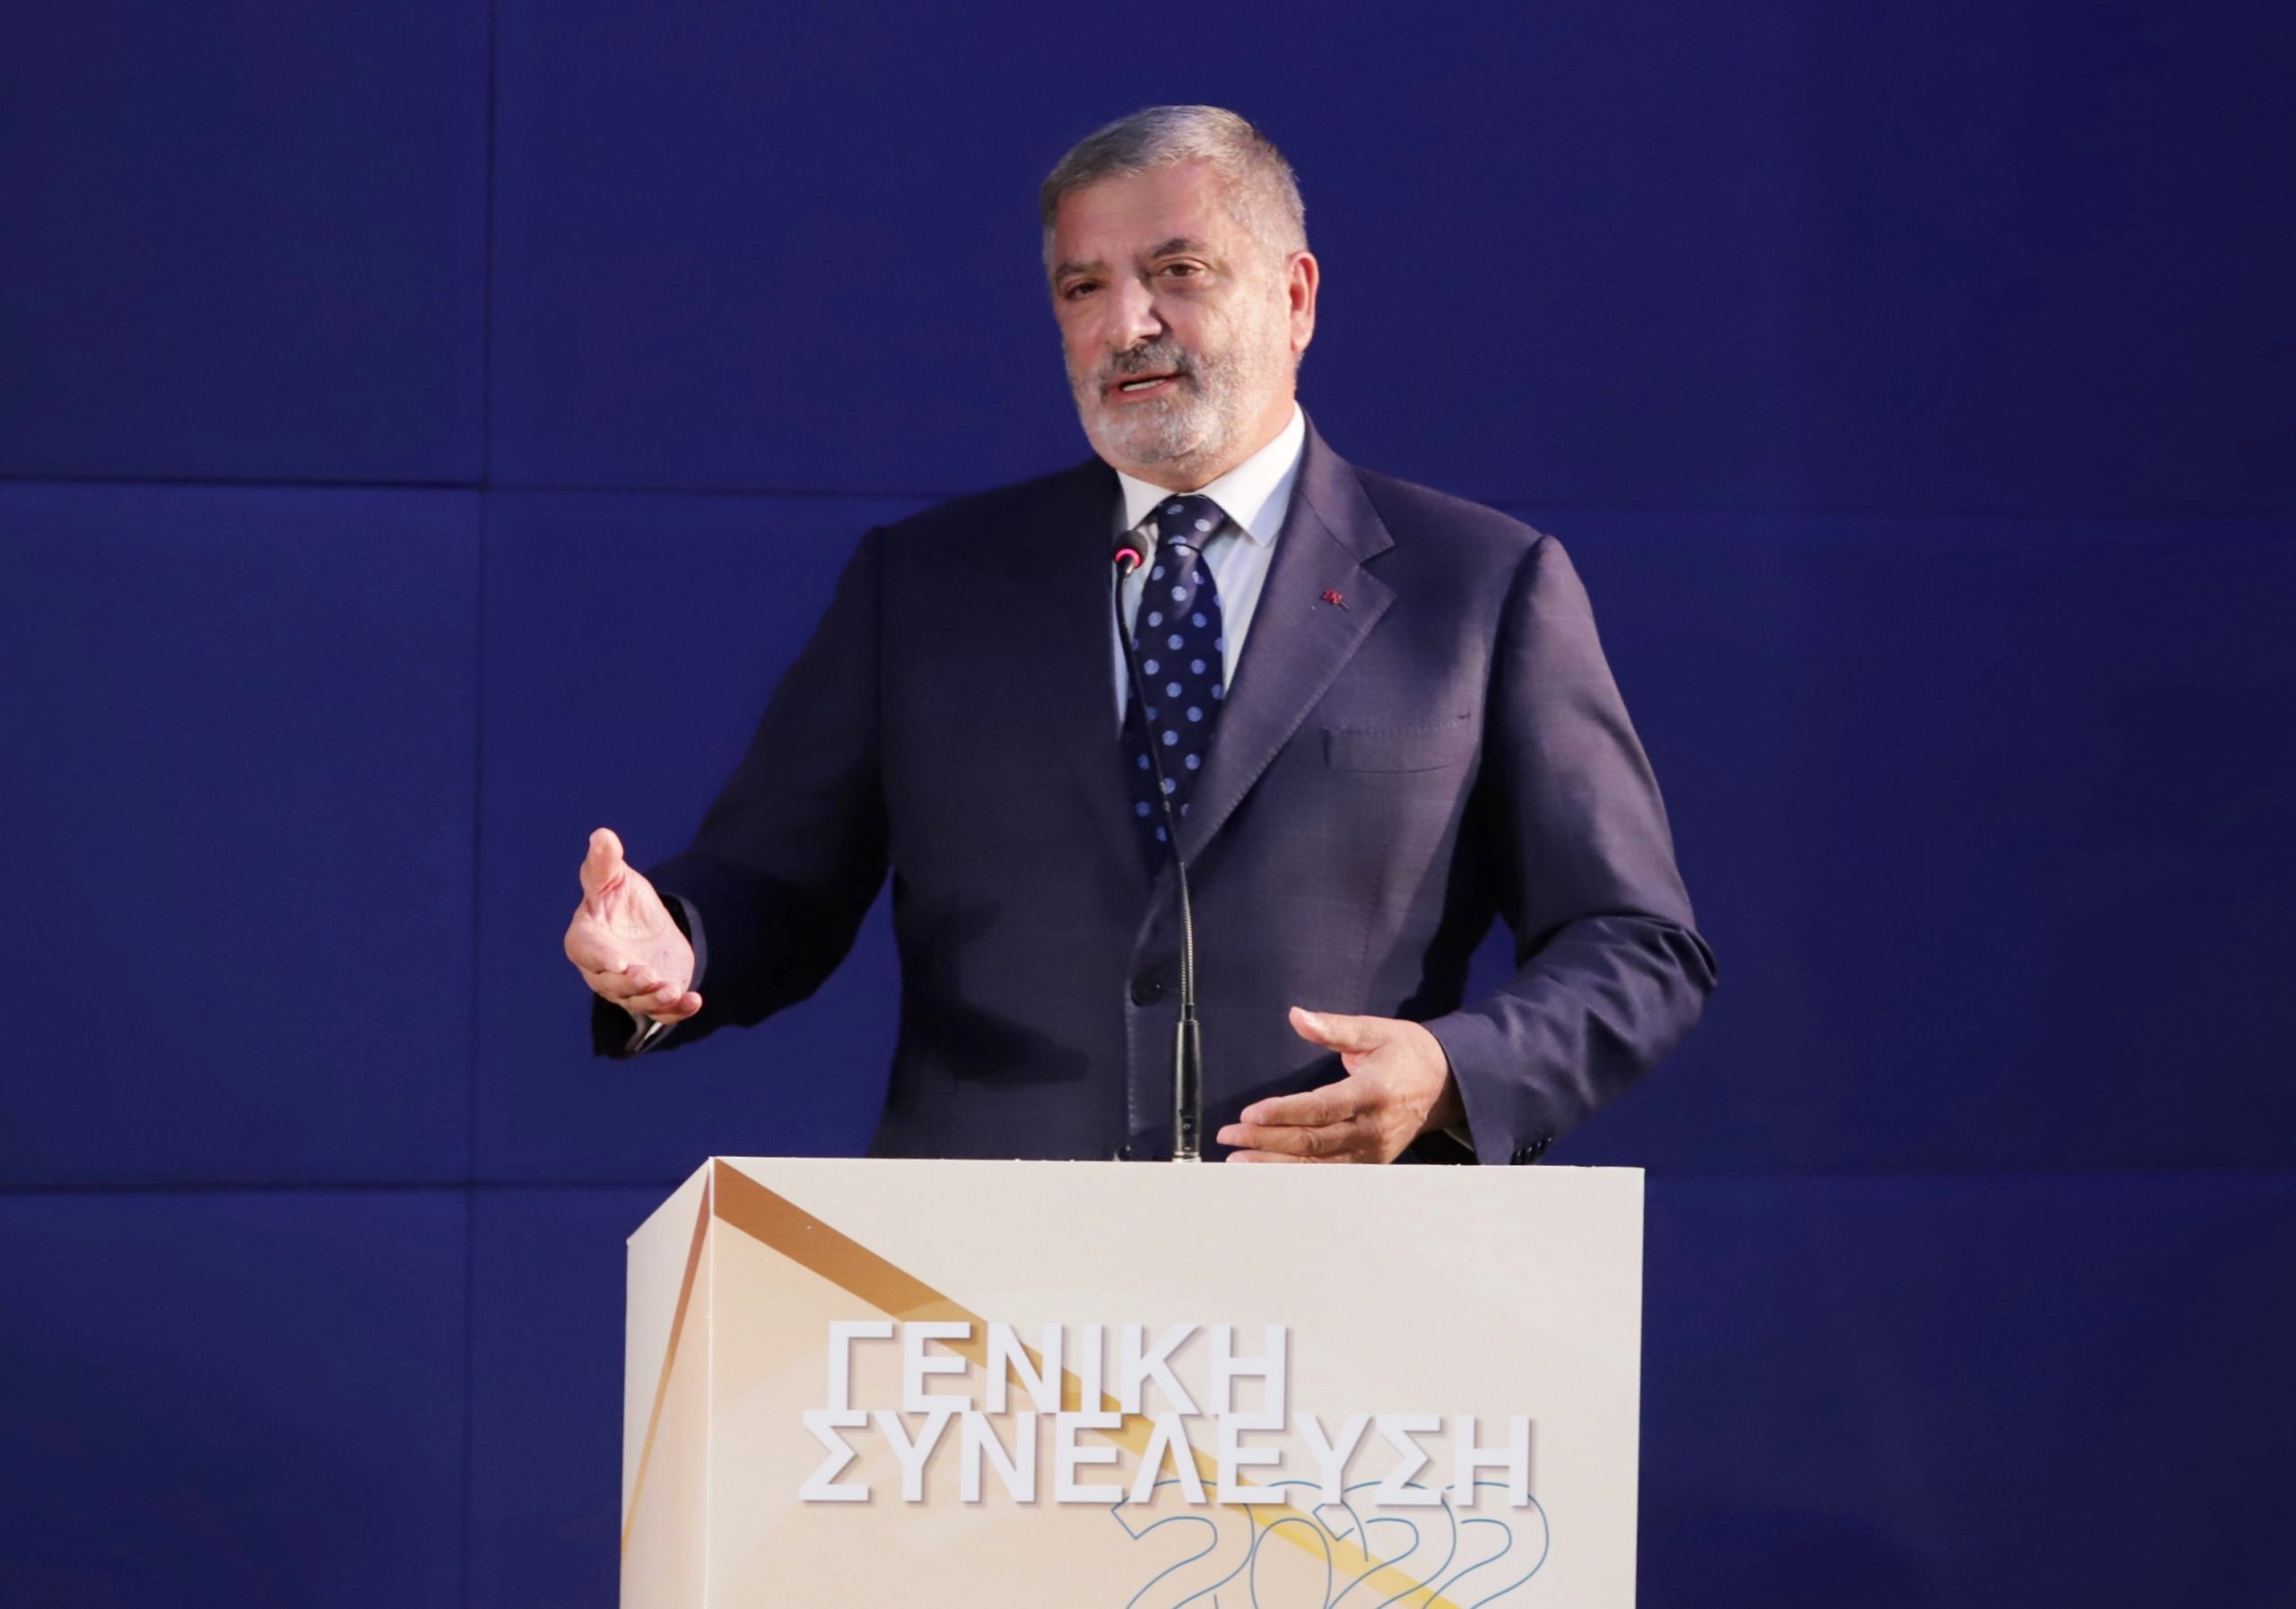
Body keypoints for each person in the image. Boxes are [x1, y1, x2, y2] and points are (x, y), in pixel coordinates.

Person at [562, 106, 1714, 1165]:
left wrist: (1454, 1072)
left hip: (1345, 1262)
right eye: (1082, 287)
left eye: (1178, 272)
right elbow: (773, 884)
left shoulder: (1479, 585)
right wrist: (675, 945)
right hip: (978, 1277)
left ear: (1297, 298)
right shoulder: (925, 586)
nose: (1126, 325)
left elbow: (1633, 944)